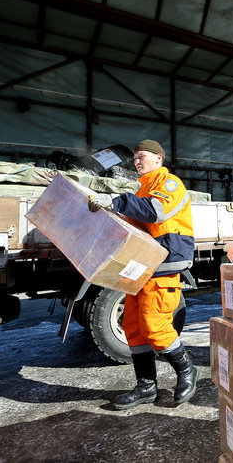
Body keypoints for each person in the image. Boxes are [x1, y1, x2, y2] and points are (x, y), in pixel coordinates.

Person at [87, 139, 197, 409]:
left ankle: (186, 370)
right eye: (135, 158)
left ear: (159, 158)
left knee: (154, 325)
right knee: (133, 328)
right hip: (141, 265)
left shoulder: (169, 184)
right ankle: (146, 386)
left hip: (164, 264)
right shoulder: (142, 188)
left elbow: (155, 212)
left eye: (143, 157)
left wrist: (116, 201)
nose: (137, 162)